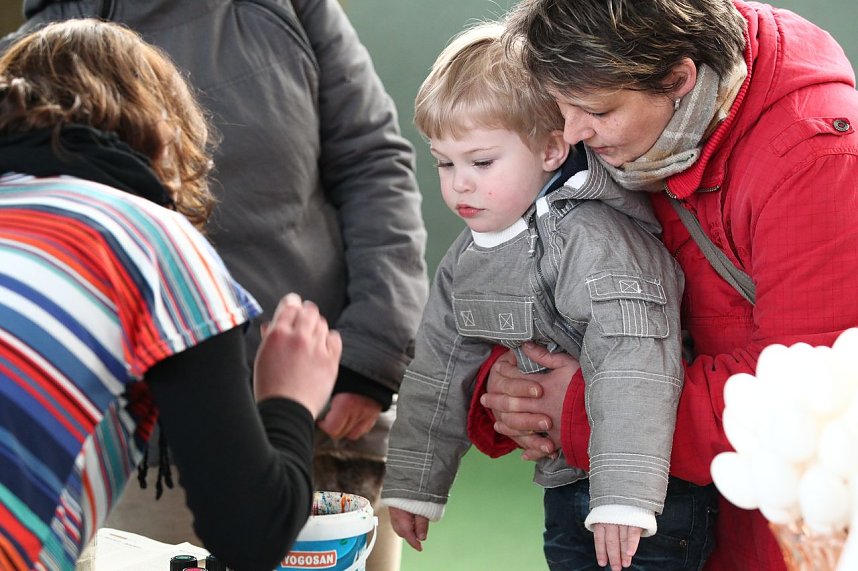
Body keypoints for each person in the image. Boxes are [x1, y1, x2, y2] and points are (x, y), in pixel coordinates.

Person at [3, 2, 429, 569]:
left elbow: (374, 164)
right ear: (166, 134)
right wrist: (287, 397)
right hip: (239, 425)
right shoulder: (160, 243)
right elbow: (251, 536)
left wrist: (371, 356)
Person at [472, 1, 858, 570]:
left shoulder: (817, 155)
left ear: (681, 79)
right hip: (658, 501)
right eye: (561, 105)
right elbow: (529, 264)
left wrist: (582, 413)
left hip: (779, 528)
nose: (572, 130)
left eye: (596, 110)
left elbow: (804, 395)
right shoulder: (615, 106)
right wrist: (516, 388)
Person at [379, 22, 709, 571]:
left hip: (655, 495)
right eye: (444, 161)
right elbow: (438, 366)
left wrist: (625, 496)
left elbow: (636, 360)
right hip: (565, 483)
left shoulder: (594, 238)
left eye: (481, 162)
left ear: (553, 148)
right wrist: (416, 483)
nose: (459, 182)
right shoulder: (468, 255)